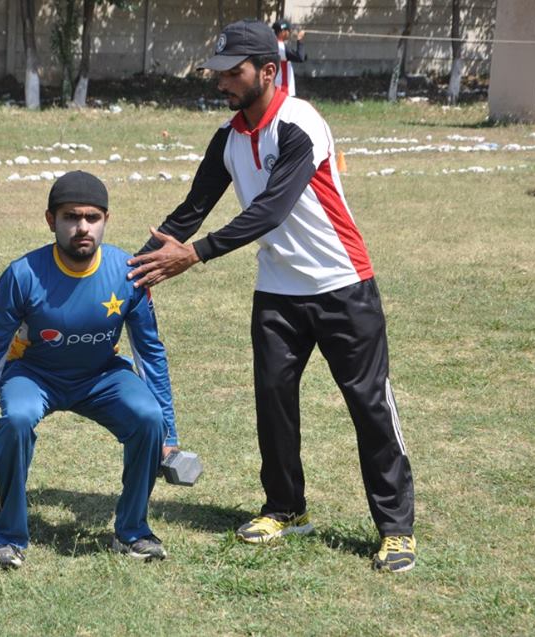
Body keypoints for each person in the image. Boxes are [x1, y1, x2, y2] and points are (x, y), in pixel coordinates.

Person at [126, 19, 416, 573]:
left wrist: (198, 254)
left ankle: (396, 528)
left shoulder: (299, 123)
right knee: (274, 405)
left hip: (342, 286)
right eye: (218, 73)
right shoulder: (229, 138)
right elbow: (191, 210)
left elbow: (271, 209)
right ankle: (285, 508)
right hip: (277, 294)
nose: (222, 84)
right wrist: (131, 268)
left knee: (370, 405)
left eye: (232, 74)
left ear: (266, 70)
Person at [0, 170, 179, 572]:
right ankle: (8, 538)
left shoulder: (128, 273)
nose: (82, 227)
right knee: (17, 419)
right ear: (51, 220)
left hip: (101, 375)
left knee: (149, 418)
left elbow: (150, 355)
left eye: (92, 217)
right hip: (34, 374)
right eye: (71, 217)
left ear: (106, 220)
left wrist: (171, 436)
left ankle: (132, 531)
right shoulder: (22, 275)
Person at [271, 19, 307, 97]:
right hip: (282, 88)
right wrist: (300, 39)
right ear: (283, 32)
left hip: (277, 87)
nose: (289, 33)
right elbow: (300, 57)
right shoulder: (280, 46)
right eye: (288, 31)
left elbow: (301, 56)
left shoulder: (274, 44)